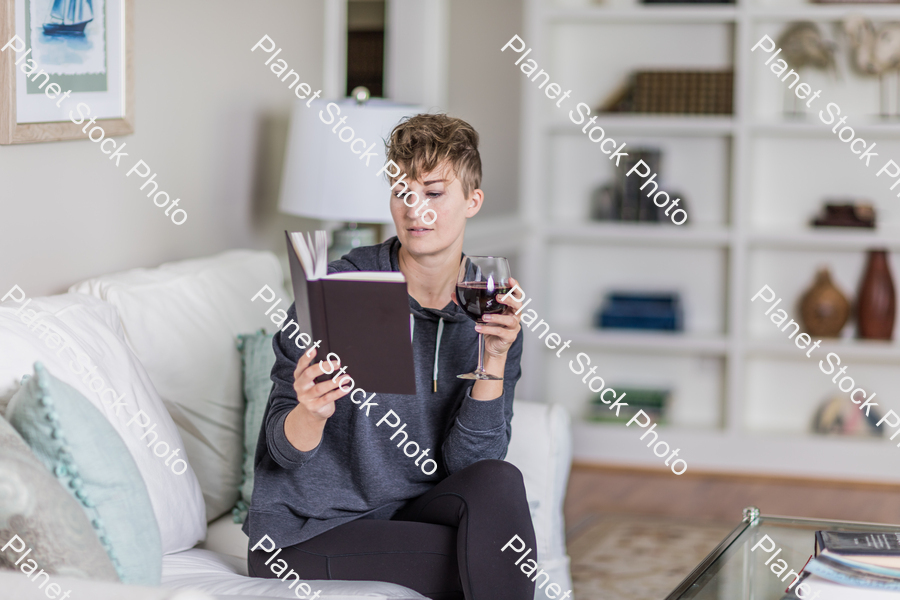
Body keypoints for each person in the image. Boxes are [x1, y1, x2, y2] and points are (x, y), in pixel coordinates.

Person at [244, 114, 536, 600]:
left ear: (472, 201)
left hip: (412, 513)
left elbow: (473, 466)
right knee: (490, 556)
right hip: (308, 531)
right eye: (403, 191)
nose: (415, 207)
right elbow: (281, 449)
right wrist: (309, 412)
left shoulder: (493, 313)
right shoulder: (333, 289)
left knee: (500, 480)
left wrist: (494, 359)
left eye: (434, 192)